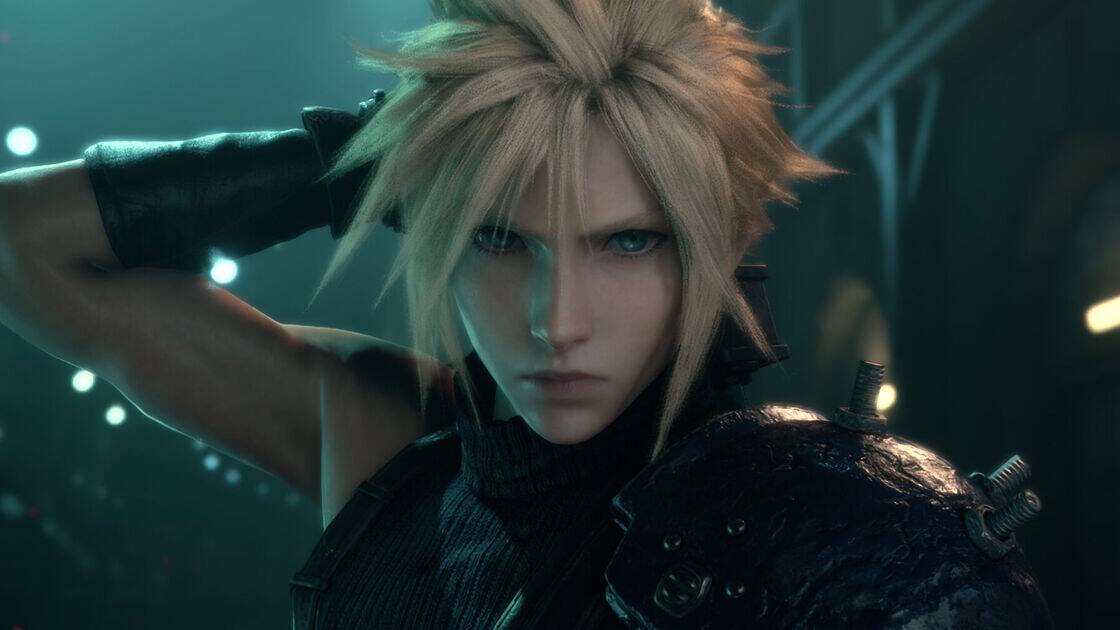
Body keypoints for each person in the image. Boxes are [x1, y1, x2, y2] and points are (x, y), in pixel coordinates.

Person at [0, 0, 1052, 627]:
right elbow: (19, 246)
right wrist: (377, 151)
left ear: (716, 250)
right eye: (499, 240)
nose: (557, 321)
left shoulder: (832, 531)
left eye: (626, 242)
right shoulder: (380, 432)